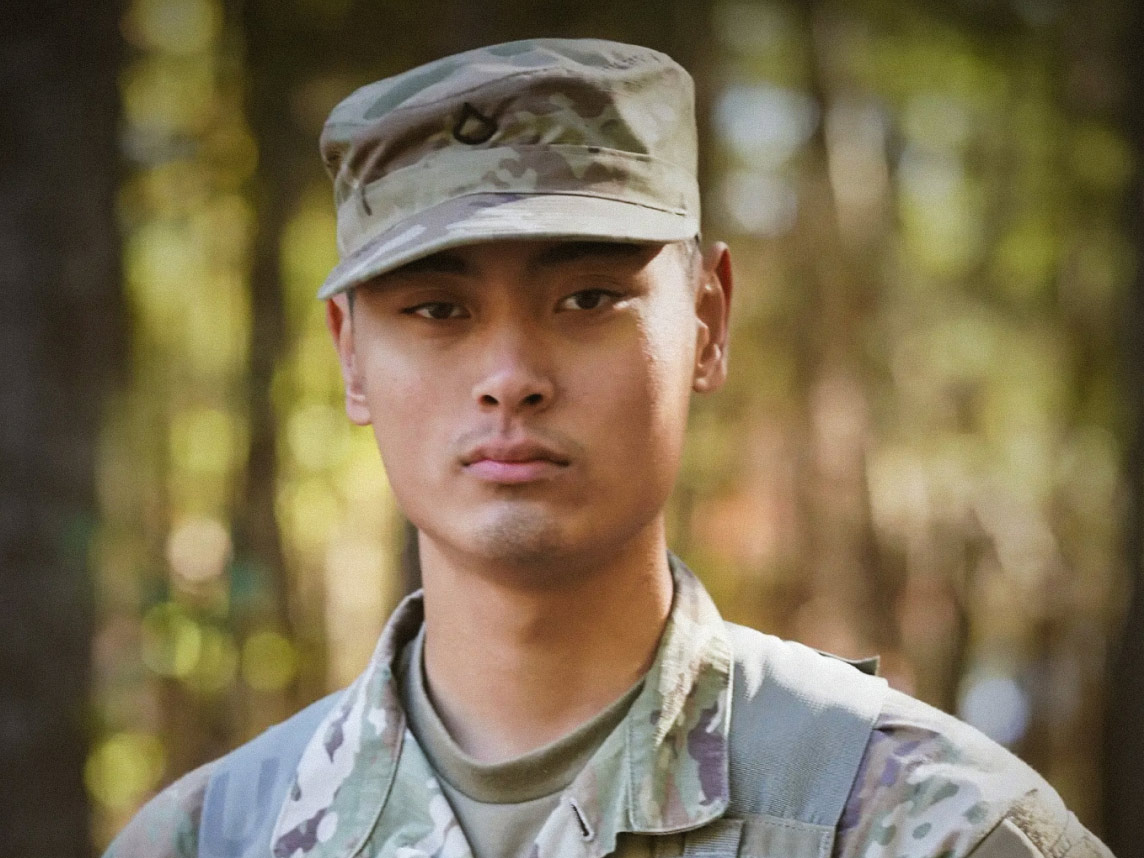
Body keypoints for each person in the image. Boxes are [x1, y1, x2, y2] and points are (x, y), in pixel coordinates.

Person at [106, 38, 1113, 858]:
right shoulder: (211, 837)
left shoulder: (931, 827)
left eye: (587, 297)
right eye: (437, 308)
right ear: (351, 358)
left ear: (708, 322)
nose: (511, 373)